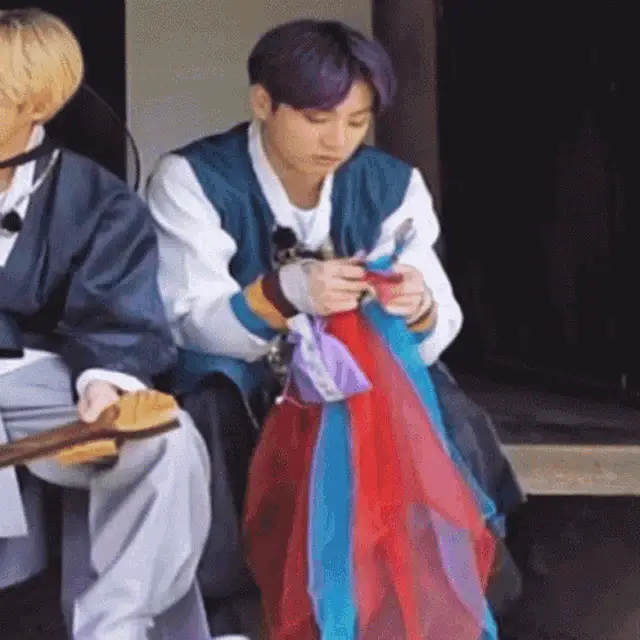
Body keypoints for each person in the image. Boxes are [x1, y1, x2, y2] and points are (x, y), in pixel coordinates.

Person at [147, 19, 524, 638]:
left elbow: (439, 321)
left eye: (356, 121)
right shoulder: (194, 178)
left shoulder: (391, 185)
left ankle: (444, 593)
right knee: (211, 408)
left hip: (360, 375)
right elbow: (189, 320)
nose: (337, 141)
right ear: (262, 102)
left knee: (440, 408)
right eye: (317, 119)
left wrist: (416, 305)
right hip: (243, 376)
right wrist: (285, 294)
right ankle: (233, 613)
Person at [0, 9, 214, 639]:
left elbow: (118, 316)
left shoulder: (97, 199)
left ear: (37, 104)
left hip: (39, 378)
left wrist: (104, 383)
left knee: (166, 442)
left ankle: (115, 625)